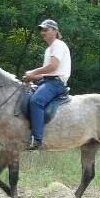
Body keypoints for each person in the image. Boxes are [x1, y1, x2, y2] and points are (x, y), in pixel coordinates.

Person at [21, 19, 71, 150]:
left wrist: (34, 71)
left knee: (36, 101)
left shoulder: (58, 45)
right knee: (25, 97)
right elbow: (46, 73)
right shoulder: (49, 49)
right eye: (42, 30)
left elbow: (53, 67)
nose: (42, 32)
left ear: (55, 31)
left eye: (46, 29)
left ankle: (36, 140)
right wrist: (30, 77)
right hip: (48, 81)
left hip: (56, 83)